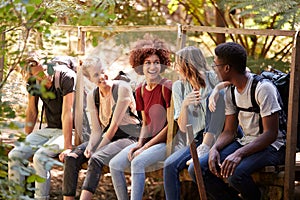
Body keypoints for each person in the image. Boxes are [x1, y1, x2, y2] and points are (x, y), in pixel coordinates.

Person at [188, 42, 286, 199]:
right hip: (246, 142)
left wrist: (239, 154)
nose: (214, 70)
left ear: (227, 68)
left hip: (273, 147)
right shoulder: (230, 90)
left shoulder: (262, 89)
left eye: (215, 66)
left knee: (235, 174)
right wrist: (215, 148)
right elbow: (229, 131)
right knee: (197, 168)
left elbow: (271, 134)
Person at [62, 56, 140, 200]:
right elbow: (97, 130)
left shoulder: (122, 89)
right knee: (71, 157)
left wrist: (96, 149)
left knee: (96, 158)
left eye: (103, 71)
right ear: (90, 80)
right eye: (96, 75)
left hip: (129, 137)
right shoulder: (93, 96)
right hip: (107, 137)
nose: (102, 77)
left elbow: (114, 126)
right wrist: (91, 145)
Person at [109, 36, 172, 200]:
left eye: (156, 62)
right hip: (149, 142)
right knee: (115, 165)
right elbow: (145, 123)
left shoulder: (167, 87)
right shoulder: (140, 90)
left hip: (167, 142)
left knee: (137, 162)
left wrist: (145, 147)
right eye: (147, 63)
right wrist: (139, 144)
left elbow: (172, 126)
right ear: (140, 66)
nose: (153, 67)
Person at [8, 52, 76, 200]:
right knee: (15, 155)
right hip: (49, 129)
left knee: (40, 157)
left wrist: (68, 147)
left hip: (70, 130)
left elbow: (67, 112)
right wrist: (26, 139)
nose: (45, 76)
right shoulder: (32, 84)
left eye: (45, 71)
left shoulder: (66, 77)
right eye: (38, 76)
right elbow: (32, 111)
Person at [163, 46, 224, 200]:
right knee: (169, 166)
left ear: (188, 65)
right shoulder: (179, 87)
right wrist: (184, 105)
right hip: (196, 139)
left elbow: (240, 77)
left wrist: (216, 90)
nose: (175, 68)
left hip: (220, 135)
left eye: (178, 64)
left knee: (195, 168)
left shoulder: (214, 78)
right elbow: (183, 128)